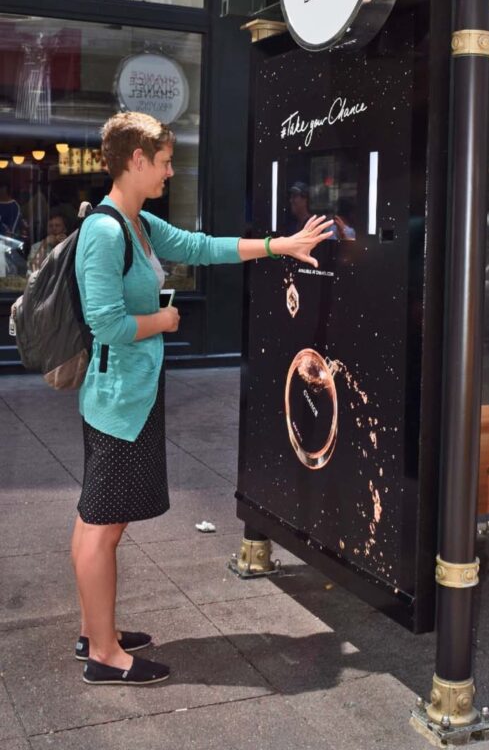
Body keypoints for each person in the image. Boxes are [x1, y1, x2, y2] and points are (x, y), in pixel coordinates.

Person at [71, 111, 332, 687]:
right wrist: (163, 318)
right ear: (135, 160)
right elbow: (106, 324)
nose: (169, 172)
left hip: (127, 394)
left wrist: (279, 244)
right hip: (118, 399)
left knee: (100, 520)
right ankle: (105, 655)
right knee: (102, 524)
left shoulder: (137, 223)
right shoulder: (109, 230)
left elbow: (201, 245)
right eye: (164, 162)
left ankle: (97, 631)